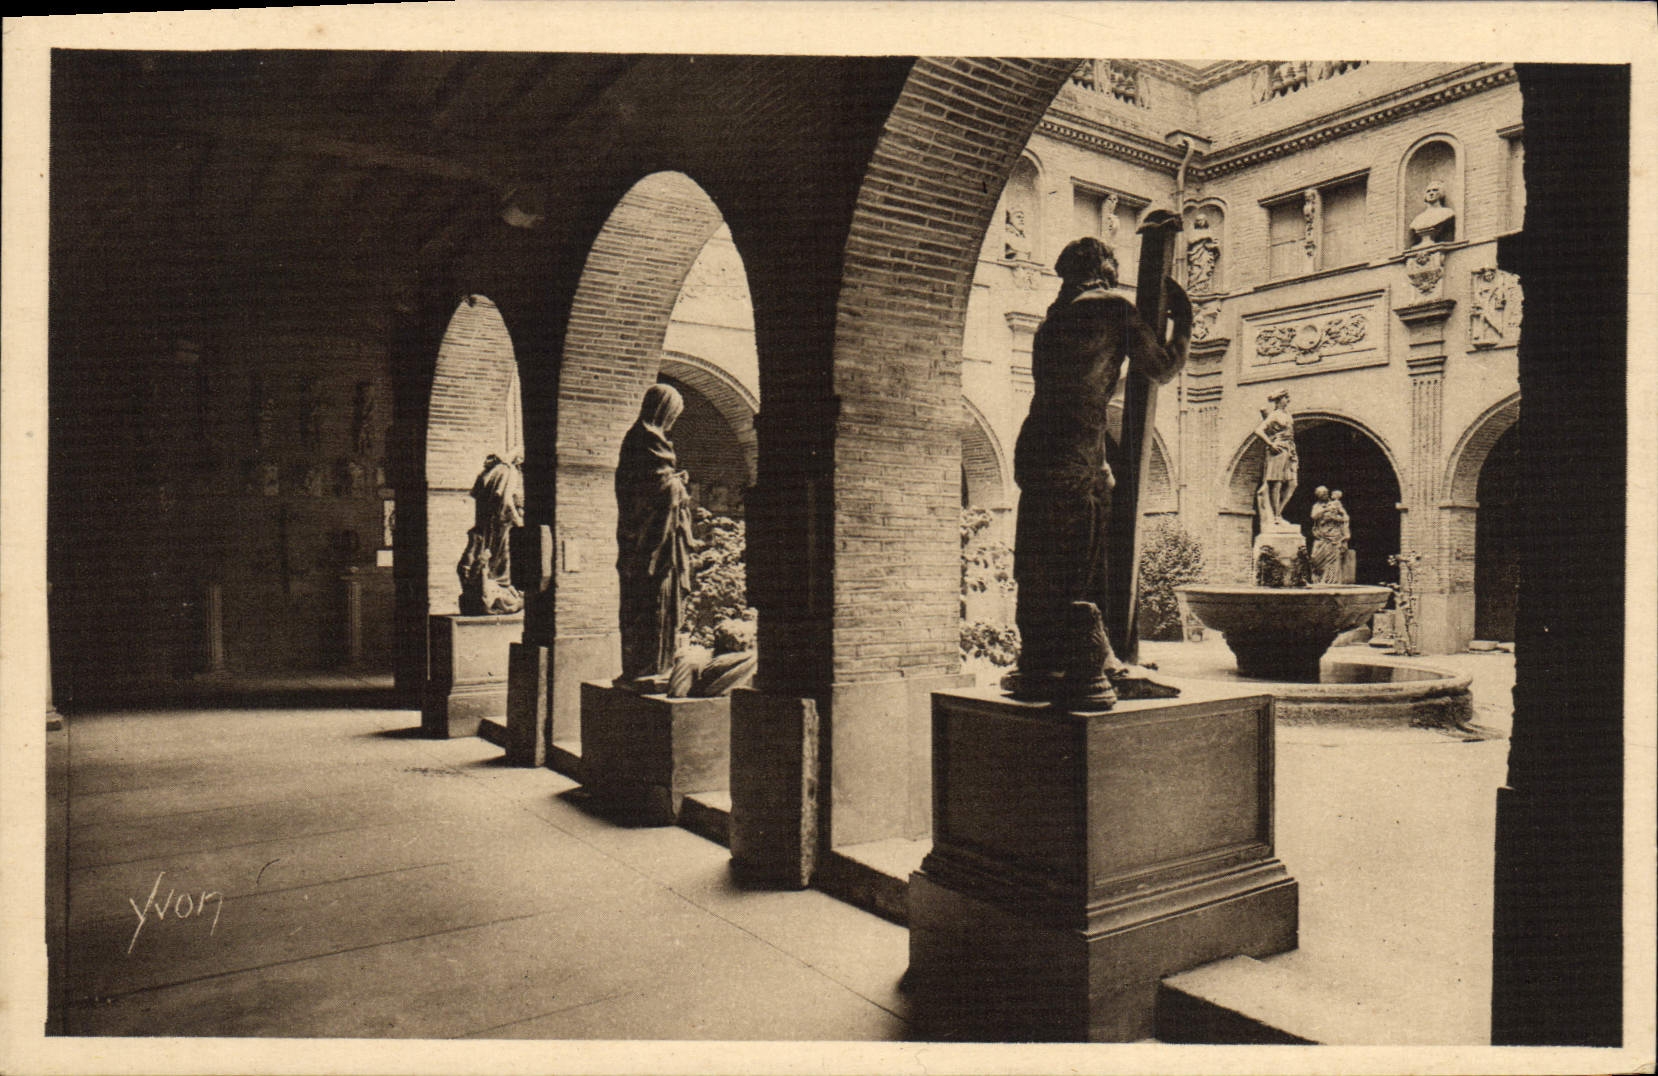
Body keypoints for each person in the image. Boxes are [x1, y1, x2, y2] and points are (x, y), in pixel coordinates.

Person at [1005, 235, 1191, 706]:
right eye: (1114, 262)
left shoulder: (1052, 320)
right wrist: (1183, 322)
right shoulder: (1113, 307)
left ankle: (1038, 662)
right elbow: (1162, 367)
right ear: (1104, 266)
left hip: (1036, 447)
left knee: (1037, 557)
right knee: (1080, 563)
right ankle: (1092, 671)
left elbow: (1073, 385)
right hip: (1076, 452)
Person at [615, 384, 696, 685]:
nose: (673, 421)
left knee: (642, 606)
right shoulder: (649, 440)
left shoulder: (636, 439)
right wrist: (677, 487)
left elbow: (648, 487)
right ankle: (652, 667)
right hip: (655, 548)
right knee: (655, 606)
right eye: (673, 414)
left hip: (641, 542)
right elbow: (657, 493)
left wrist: (674, 481)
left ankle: (644, 666)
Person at [457, 453, 526, 616]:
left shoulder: (493, 472)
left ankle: (494, 584)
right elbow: (507, 501)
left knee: (488, 557)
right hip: (501, 523)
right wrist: (519, 523)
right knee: (502, 557)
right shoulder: (510, 472)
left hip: (487, 523)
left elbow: (479, 495)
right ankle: (499, 586)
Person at [667, 617, 758, 698]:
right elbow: (677, 693)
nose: (745, 642)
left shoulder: (737, 659)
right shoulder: (695, 658)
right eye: (741, 636)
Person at [1253, 390, 1298, 525]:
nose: (1288, 400)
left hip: (1290, 449)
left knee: (1292, 483)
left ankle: (1278, 513)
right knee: (1277, 482)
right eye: (1286, 398)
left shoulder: (1287, 414)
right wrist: (1270, 444)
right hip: (1278, 449)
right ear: (1279, 400)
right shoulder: (1274, 415)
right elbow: (1259, 430)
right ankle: (1276, 516)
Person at [1409, 181, 1456, 248]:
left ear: (1441, 194)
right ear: (1425, 195)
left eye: (1435, 190)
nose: (1431, 193)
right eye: (1428, 191)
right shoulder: (1418, 218)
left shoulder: (1447, 213)